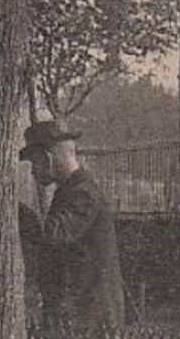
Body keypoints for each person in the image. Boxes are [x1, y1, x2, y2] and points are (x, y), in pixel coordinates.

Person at [18, 120, 124, 328]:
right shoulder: (71, 190)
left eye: (34, 163)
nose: (32, 172)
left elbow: (53, 236)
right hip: (78, 314)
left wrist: (17, 211)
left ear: (48, 159)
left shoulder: (83, 192)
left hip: (91, 318)